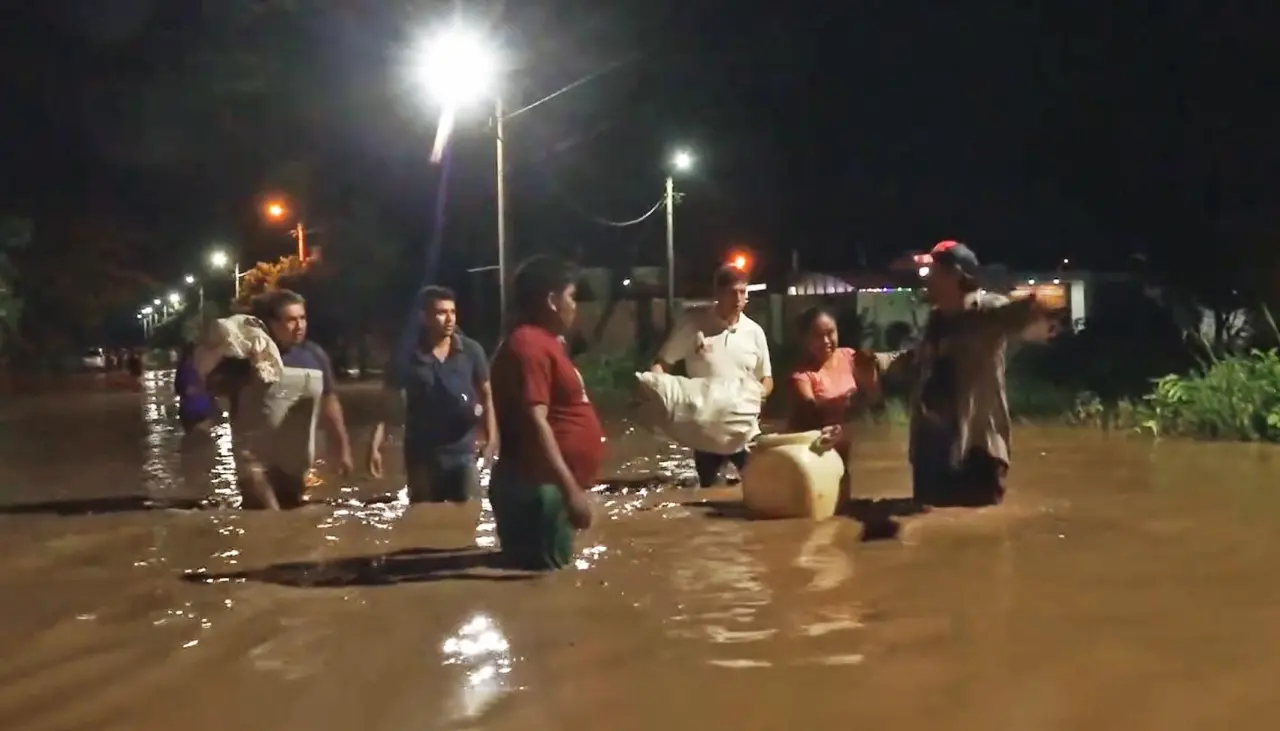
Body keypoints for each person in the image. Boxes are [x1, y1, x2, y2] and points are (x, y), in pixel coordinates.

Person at [876, 241, 1062, 508]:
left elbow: (1033, 310)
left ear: (955, 275)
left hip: (977, 449)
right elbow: (915, 361)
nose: (926, 280)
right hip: (932, 449)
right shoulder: (935, 320)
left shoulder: (987, 312)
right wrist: (873, 364)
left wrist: (1039, 298)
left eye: (934, 273)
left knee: (977, 539)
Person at [489, 255, 601, 570]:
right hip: (539, 492)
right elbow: (534, 422)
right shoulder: (528, 345)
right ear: (552, 300)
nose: (575, 306)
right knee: (544, 591)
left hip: (545, 491)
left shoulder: (543, 343)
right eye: (571, 296)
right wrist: (570, 492)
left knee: (546, 584)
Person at [216, 290, 353, 510]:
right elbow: (214, 386)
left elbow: (330, 403)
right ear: (272, 323)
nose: (299, 326)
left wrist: (342, 448)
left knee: (291, 516)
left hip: (293, 465)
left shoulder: (314, 356)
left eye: (302, 318)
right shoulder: (247, 356)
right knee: (268, 517)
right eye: (291, 320)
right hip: (254, 463)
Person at [367, 286, 497, 504]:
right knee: (423, 512)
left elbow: (487, 396)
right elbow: (387, 405)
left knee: (469, 510)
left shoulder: (471, 351)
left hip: (463, 452)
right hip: (422, 454)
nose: (449, 319)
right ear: (424, 317)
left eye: (452, 312)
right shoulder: (406, 356)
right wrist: (374, 446)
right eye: (441, 313)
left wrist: (491, 439)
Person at [652, 264, 773, 487]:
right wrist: (654, 389)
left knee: (758, 488)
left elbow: (766, 378)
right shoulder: (693, 324)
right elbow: (663, 363)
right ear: (717, 293)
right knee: (710, 494)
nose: (738, 299)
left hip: (745, 431)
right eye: (732, 292)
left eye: (743, 292)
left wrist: (760, 395)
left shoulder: (754, 332)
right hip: (706, 432)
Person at [174, 341, 216, 433]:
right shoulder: (203, 367)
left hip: (190, 413)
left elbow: (177, 390)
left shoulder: (182, 369)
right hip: (200, 412)